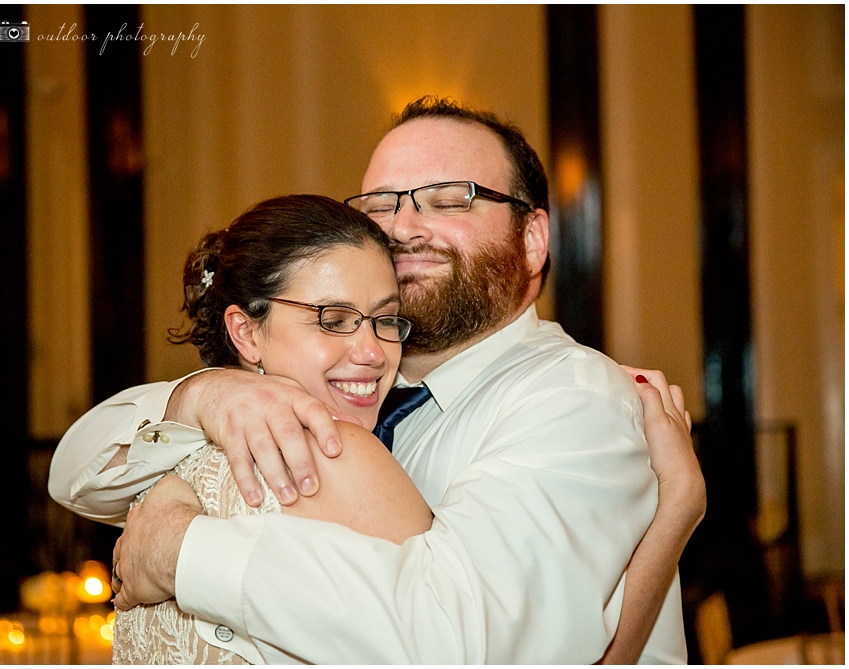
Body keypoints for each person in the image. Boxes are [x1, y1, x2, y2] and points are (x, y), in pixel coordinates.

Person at [50, 97, 706, 663]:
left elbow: (468, 643)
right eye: (380, 204)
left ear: (534, 238)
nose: (401, 227)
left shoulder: (570, 398)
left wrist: (182, 550)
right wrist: (204, 393)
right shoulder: (335, 395)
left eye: (451, 198)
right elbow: (77, 475)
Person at [113, 195, 434, 663]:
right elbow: (451, 643)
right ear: (246, 333)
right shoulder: (341, 453)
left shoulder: (163, 469)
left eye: (384, 320)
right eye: (334, 320)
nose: (373, 352)